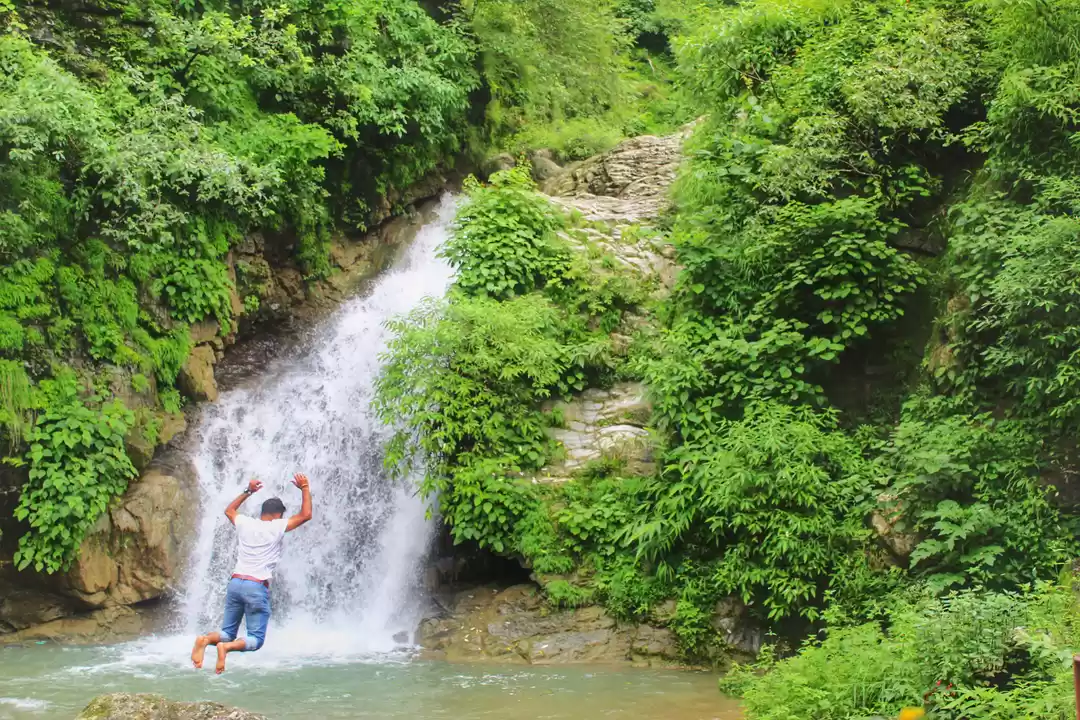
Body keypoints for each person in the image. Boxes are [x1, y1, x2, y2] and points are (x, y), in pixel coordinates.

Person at [191, 473, 313, 673]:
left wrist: (248, 491)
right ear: (277, 515)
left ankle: (204, 640)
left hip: (235, 583)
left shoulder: (245, 523)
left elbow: (229, 510)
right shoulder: (277, 526)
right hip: (255, 586)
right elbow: (306, 515)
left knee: (227, 632)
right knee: (255, 639)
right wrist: (305, 487)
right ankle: (226, 648)